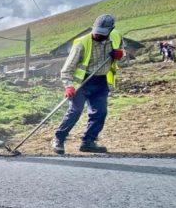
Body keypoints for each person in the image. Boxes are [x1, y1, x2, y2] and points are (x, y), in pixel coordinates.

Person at [52, 14, 123, 154]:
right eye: (97, 32)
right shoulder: (82, 43)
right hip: (82, 83)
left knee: (100, 112)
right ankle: (58, 139)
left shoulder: (116, 37)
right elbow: (67, 69)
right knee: (75, 111)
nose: (98, 35)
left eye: (102, 33)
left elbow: (121, 52)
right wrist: (69, 86)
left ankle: (88, 142)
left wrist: (120, 55)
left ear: (111, 30)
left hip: (101, 81)